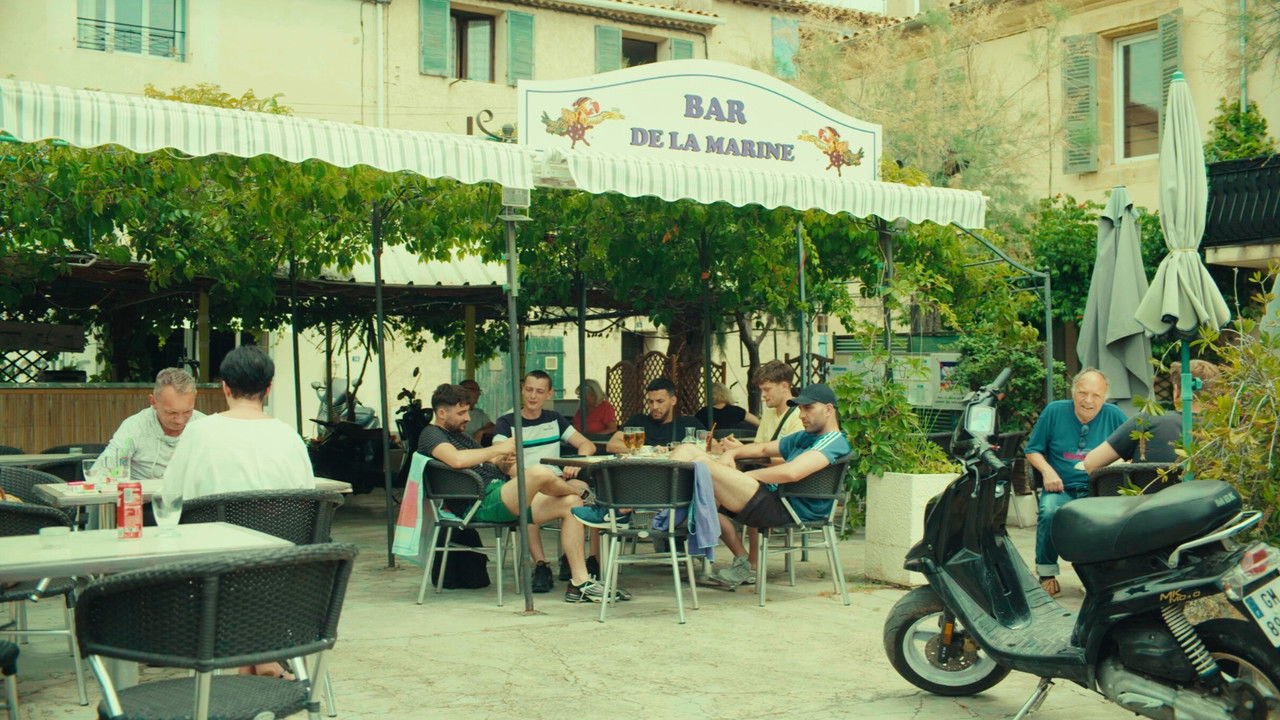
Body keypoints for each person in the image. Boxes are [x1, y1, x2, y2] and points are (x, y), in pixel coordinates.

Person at [420, 383, 628, 603]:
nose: (468, 418)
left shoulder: (460, 435)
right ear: (442, 413)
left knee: (571, 503)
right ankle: (591, 499)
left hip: (498, 495)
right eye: (461, 413)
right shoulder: (431, 434)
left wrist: (502, 461)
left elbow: (490, 461)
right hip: (479, 503)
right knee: (539, 472)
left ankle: (580, 582)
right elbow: (457, 460)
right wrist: (498, 449)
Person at [663, 383, 851, 589]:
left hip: (787, 509)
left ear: (829, 409)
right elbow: (763, 450)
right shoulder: (807, 436)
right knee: (688, 454)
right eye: (800, 409)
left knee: (700, 463)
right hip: (771, 499)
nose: (801, 415)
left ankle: (665, 516)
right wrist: (731, 453)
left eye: (808, 408)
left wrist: (745, 477)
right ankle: (740, 558)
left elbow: (792, 472)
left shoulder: (833, 441)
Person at [158, 346, 315, 520]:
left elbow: (169, 497)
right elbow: (307, 500)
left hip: (210, 536)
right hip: (278, 536)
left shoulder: (197, 433)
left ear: (225, 387)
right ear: (269, 389)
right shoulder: (290, 437)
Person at [492, 371, 597, 593]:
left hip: (556, 481)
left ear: (548, 394)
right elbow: (498, 457)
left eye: (539, 391)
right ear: (522, 389)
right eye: (529, 390)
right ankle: (541, 565)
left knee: (588, 495)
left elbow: (587, 445)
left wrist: (576, 462)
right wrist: (524, 475)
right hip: (525, 482)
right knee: (530, 500)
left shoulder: (554, 419)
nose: (533, 396)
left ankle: (579, 559)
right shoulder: (507, 422)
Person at [1025, 368, 1126, 596]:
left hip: (1098, 490)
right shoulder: (1054, 411)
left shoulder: (1114, 415)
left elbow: (1132, 451)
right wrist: (1048, 472)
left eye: (1096, 395)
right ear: (1073, 392)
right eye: (1083, 393)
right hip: (1060, 487)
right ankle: (1047, 573)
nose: (1088, 400)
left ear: (1105, 397)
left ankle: (1095, 574)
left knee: (1104, 521)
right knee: (1049, 512)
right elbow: (1032, 450)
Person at [716, 360, 805, 582]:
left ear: (785, 386)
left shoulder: (799, 417)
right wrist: (739, 449)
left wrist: (741, 453)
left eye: (767, 389)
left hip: (785, 486)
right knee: (709, 500)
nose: (763, 396)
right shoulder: (769, 414)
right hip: (765, 478)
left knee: (743, 495)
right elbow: (759, 449)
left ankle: (752, 565)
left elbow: (793, 461)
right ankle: (744, 559)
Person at [1083, 360, 1222, 471]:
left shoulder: (1146, 420)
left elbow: (1090, 464)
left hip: (1147, 498)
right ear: (1216, 396)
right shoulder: (1226, 433)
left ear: (1177, 391)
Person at [92, 367, 205, 482]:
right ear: (153, 402)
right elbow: (102, 473)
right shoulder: (134, 427)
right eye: (172, 413)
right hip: (142, 493)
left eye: (187, 412)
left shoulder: (204, 426)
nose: (180, 421)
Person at [605, 377, 705, 452]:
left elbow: (711, 447)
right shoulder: (638, 421)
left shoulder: (689, 423)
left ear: (673, 400)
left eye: (660, 401)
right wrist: (647, 450)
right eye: (650, 402)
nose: (655, 406)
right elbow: (612, 445)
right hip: (643, 472)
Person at [695, 382, 760, 430]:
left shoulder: (703, 412)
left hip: (712, 443)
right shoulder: (737, 410)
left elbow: (693, 428)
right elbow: (759, 423)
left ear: (709, 396)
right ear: (727, 394)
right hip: (735, 442)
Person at [458, 379, 494, 444]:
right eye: (474, 390)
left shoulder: (479, 414)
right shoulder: (453, 411)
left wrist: (481, 432)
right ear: (463, 391)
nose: (479, 394)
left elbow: (493, 427)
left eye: (479, 391)